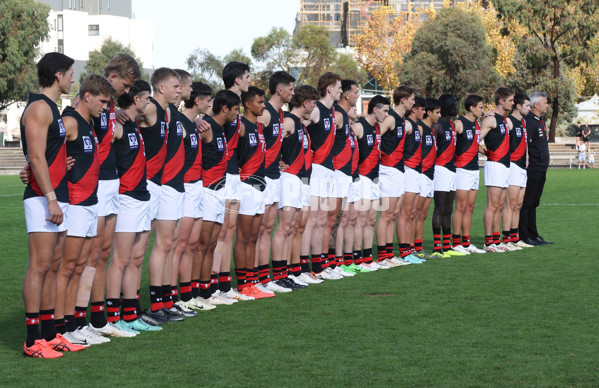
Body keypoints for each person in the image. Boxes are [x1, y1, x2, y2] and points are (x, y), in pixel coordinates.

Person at [21, 52, 87, 358]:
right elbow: (35, 156)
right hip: (43, 198)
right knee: (40, 266)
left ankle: (50, 335)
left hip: (57, 194)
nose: (73, 78)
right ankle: (33, 340)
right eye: (71, 73)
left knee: (53, 266)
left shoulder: (53, 109)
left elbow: (45, 155)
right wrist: (49, 198)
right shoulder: (38, 107)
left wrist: (63, 162)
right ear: (58, 75)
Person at [54, 75, 114, 346]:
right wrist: (33, 167)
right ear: (87, 96)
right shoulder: (69, 122)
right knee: (67, 268)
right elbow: (40, 147)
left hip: (91, 203)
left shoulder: (90, 124)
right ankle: (59, 328)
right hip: (75, 204)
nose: (105, 107)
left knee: (79, 267)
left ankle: (73, 325)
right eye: (102, 101)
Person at [105, 80, 161, 333]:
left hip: (142, 196)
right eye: (147, 98)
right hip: (125, 197)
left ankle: (131, 314)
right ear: (136, 100)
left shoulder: (134, 125)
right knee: (120, 260)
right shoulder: (117, 125)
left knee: (136, 259)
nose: (149, 103)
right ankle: (112, 318)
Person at [137, 67, 185, 324]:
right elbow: (132, 111)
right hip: (150, 184)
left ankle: (165, 301)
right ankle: (156, 304)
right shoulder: (152, 107)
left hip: (164, 184)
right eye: (176, 86)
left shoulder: (169, 112)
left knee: (168, 245)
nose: (179, 90)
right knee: (157, 246)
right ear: (161, 87)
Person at [212, 62, 252, 302]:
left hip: (234, 173)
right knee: (221, 231)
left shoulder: (237, 109)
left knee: (230, 230)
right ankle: (213, 284)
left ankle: (225, 284)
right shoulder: (222, 103)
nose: (249, 80)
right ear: (237, 80)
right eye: (247, 76)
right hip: (221, 174)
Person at [174, 82, 216, 312]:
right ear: (198, 100)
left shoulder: (193, 123)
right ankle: (172, 298)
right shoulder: (179, 122)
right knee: (179, 246)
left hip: (197, 185)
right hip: (185, 186)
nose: (210, 104)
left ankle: (188, 295)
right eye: (207, 100)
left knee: (190, 245)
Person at [196, 90, 241, 304]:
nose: (237, 114)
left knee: (212, 244)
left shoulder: (220, 128)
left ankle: (208, 290)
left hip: (218, 191)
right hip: (206, 191)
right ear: (224, 109)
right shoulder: (205, 126)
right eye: (235, 110)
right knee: (203, 244)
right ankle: (196, 291)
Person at [256, 71, 296, 291]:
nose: (293, 92)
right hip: (260, 177)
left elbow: (270, 144)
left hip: (274, 175)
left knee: (267, 228)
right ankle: (254, 279)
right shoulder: (266, 113)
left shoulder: (281, 114)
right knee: (258, 229)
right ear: (280, 90)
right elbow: (251, 141)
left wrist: (278, 159)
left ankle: (266, 278)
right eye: (290, 88)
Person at [303, 72, 344, 280]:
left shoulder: (331, 111)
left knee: (322, 220)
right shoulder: (316, 110)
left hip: (328, 170)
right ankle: (302, 269)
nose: (341, 91)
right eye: (338, 87)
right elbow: (296, 129)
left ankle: (319, 266)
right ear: (329, 88)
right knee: (313, 220)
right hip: (317, 169)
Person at [235, 86, 273, 299]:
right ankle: (242, 285)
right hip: (246, 185)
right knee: (243, 237)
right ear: (247, 104)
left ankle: (251, 282)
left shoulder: (259, 127)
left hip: (260, 186)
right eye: (259, 102)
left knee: (254, 237)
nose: (263, 105)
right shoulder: (240, 125)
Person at [376, 86, 416, 267]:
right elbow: (377, 137)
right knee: (386, 214)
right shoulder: (391, 118)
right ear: (403, 100)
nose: (414, 102)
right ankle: (383, 256)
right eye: (412, 99)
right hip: (388, 169)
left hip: (399, 169)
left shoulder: (402, 120)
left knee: (393, 214)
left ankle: (390, 254)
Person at [353, 95, 391, 271]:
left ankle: (367, 257)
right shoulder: (359, 127)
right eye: (385, 110)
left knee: (370, 220)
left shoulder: (377, 128)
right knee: (361, 220)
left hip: (375, 178)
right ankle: (356, 258)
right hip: (363, 177)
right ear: (375, 109)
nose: (387, 114)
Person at [329, 79, 359, 276]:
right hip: (336, 172)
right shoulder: (337, 115)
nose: (358, 95)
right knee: (331, 219)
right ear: (346, 95)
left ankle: (334, 263)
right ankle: (329, 264)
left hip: (345, 173)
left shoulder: (344, 119)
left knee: (338, 219)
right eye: (356, 92)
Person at [479, 87, 515, 253]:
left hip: (505, 165)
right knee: (492, 205)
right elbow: (474, 139)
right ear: (501, 100)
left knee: (500, 205)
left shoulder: (506, 121)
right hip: (495, 164)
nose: (513, 103)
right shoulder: (491, 119)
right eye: (510, 100)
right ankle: (488, 242)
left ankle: (496, 239)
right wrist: (484, 151)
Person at [452, 95, 486, 255]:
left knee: (470, 207)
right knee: (461, 206)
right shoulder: (459, 123)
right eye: (480, 107)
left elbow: (472, 142)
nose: (482, 110)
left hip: (474, 169)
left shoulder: (476, 124)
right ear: (471, 108)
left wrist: (482, 150)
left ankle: (466, 242)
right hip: (461, 169)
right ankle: (456, 242)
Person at [520, 92, 553, 246]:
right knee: (527, 202)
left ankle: (533, 234)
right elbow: (525, 144)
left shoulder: (540, 120)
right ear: (536, 105)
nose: (547, 105)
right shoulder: (529, 122)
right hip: (532, 167)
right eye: (545, 103)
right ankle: (524, 235)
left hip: (541, 167)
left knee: (534, 202)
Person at [398, 96, 427, 263]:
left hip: (416, 171)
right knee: (406, 213)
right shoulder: (407, 125)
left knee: (413, 213)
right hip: (408, 170)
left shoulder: (418, 127)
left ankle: (409, 249)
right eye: (422, 109)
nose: (424, 112)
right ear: (414, 109)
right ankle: (404, 252)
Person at [503, 93, 534, 250]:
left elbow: (525, 143)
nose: (530, 108)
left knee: (519, 204)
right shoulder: (509, 121)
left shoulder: (523, 122)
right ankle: (506, 238)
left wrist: (527, 156)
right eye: (527, 106)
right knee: (511, 203)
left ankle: (515, 238)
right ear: (518, 106)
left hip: (522, 166)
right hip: (513, 164)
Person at [431, 95, 459, 259]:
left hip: (451, 169)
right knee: (440, 208)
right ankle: (436, 248)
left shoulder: (452, 124)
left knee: (449, 209)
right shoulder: (438, 124)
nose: (456, 106)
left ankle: (447, 246)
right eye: (453, 104)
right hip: (440, 169)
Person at [413, 98, 441, 258]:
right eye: (437, 112)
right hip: (421, 174)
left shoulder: (431, 129)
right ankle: (411, 248)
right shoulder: (420, 128)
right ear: (428, 113)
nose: (439, 115)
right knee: (416, 213)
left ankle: (418, 247)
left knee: (423, 214)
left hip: (430, 175)